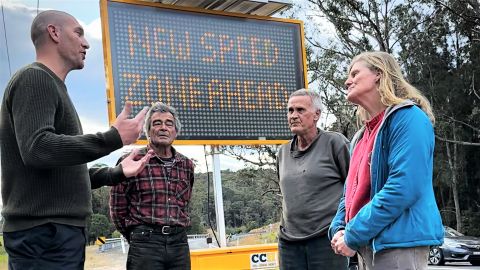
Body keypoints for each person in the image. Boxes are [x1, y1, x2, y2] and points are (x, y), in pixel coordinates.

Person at [0, 10, 153, 269]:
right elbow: (37, 149)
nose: (86, 43)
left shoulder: (52, 86)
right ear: (54, 32)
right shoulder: (35, 78)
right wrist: (112, 138)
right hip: (45, 235)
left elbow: (63, 169)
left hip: (55, 234)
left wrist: (116, 173)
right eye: (78, 32)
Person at [329, 51, 444, 270]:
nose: (347, 81)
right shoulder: (361, 136)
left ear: (378, 75)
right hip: (365, 244)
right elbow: (349, 193)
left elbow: (403, 187)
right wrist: (339, 228)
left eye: (355, 73)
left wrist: (353, 233)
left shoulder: (410, 118)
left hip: (398, 244)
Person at [110, 102, 195, 270]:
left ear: (175, 132)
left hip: (179, 244)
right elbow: (117, 208)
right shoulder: (132, 160)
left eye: (168, 124)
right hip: (145, 244)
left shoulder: (186, 164)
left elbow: (184, 204)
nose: (163, 127)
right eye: (157, 123)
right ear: (148, 131)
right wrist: (136, 235)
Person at [276, 88, 350, 269]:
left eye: (300, 110)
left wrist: (348, 232)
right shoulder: (282, 152)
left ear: (317, 114)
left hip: (327, 241)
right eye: (290, 110)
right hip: (289, 244)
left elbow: (355, 189)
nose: (293, 115)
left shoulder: (336, 143)